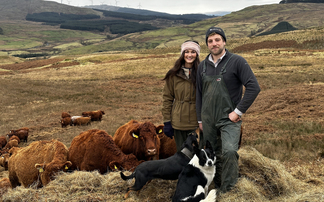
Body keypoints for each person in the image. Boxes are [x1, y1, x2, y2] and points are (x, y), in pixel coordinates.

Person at [196, 27, 261, 193]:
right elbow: (199, 94)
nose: (214, 43)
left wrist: (238, 111)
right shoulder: (202, 66)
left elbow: (254, 87)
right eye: (210, 41)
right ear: (207, 44)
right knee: (212, 153)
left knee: (230, 151)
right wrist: (200, 120)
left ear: (224, 41)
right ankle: (217, 187)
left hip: (229, 119)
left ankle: (229, 191)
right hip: (208, 119)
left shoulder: (237, 61)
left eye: (217, 40)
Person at [162, 40, 201, 151]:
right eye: (186, 51)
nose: (189, 55)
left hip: (196, 123)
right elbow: (167, 99)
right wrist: (167, 122)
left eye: (193, 52)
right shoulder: (173, 74)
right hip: (178, 123)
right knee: (182, 155)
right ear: (182, 54)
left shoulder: (202, 73)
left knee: (197, 156)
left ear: (197, 54)